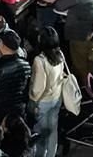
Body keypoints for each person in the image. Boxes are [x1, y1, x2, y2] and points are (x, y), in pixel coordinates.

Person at [29, 26, 65, 157]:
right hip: (57, 97)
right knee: (53, 129)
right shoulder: (60, 54)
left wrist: (33, 100)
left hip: (43, 101)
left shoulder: (40, 60)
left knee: (41, 133)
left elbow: (39, 87)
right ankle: (51, 154)